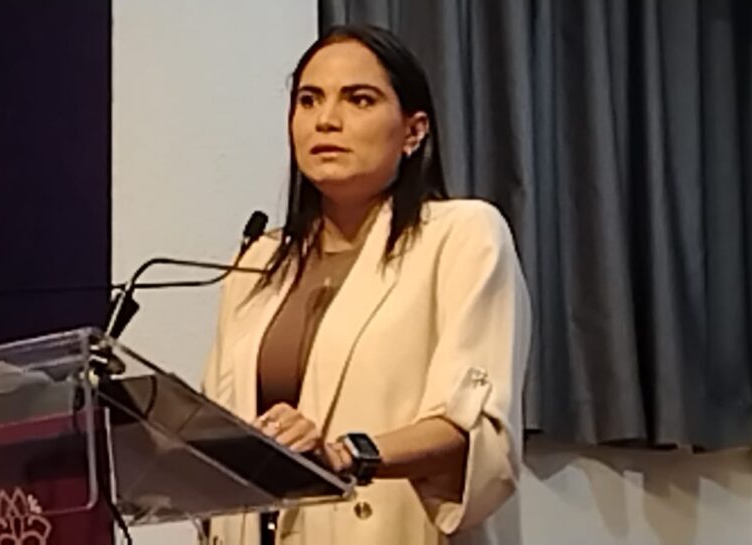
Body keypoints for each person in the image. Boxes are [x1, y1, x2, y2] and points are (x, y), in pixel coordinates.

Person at [202, 24, 531, 545]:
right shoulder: (259, 261)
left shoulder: (462, 235)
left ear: (413, 131)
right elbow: (219, 426)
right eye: (309, 100)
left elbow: (473, 426)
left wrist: (345, 455)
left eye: (359, 100)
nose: (326, 119)